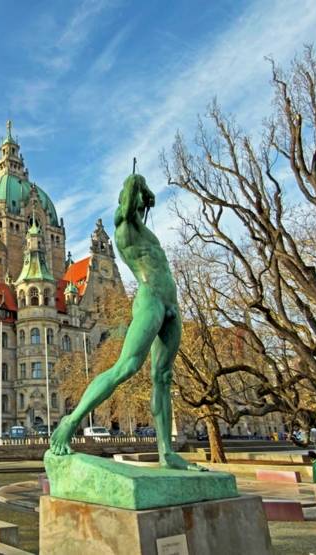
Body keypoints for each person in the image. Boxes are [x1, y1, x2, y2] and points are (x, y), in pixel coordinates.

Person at [48, 171, 200, 471]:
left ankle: (166, 452)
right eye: (134, 203)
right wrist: (141, 184)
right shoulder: (124, 228)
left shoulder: (146, 232)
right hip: (151, 301)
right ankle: (72, 420)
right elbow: (130, 191)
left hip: (172, 304)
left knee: (164, 378)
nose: (139, 206)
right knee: (127, 367)